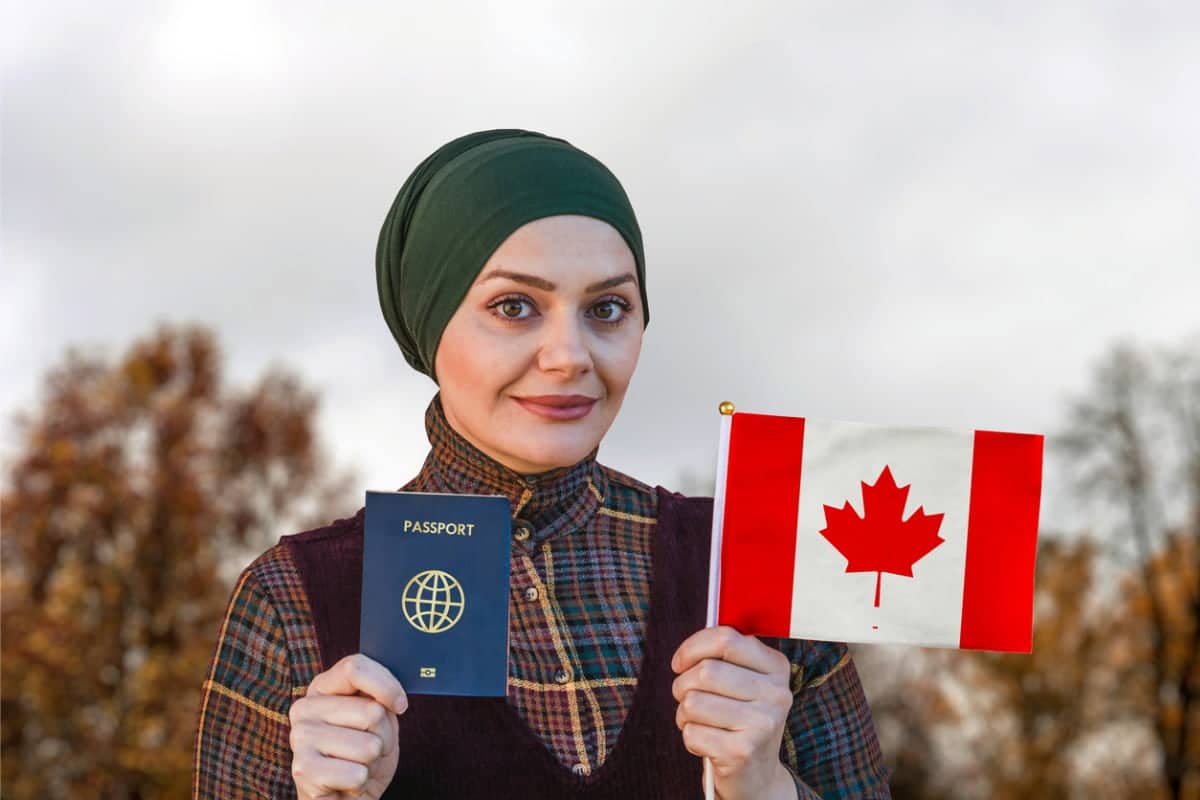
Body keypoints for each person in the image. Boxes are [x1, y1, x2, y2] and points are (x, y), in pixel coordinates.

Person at [192, 129, 891, 799]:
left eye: (608, 308)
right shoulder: (293, 599)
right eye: (515, 306)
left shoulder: (751, 561)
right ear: (432, 325)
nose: (570, 357)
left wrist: (765, 791)